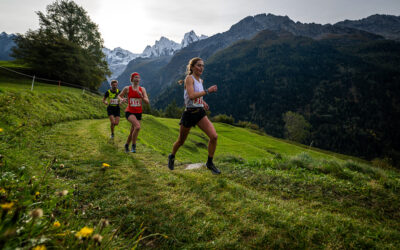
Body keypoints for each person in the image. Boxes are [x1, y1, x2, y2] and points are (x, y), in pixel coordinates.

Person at [168, 57, 220, 174]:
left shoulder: (200, 81)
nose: (201, 68)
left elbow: (197, 96)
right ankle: (171, 156)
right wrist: (208, 91)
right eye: (198, 65)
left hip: (200, 112)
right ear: (192, 67)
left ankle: (209, 163)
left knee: (214, 136)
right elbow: (191, 96)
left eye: (202, 66)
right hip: (189, 114)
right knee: (181, 141)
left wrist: (203, 102)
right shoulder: (189, 78)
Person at [118, 72, 149, 153]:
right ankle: (134, 146)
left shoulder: (142, 89)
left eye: (138, 77)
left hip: (138, 112)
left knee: (133, 131)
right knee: (138, 127)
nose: (137, 79)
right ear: (132, 79)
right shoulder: (127, 88)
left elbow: (147, 102)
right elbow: (119, 95)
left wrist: (141, 96)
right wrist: (121, 99)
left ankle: (126, 145)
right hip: (130, 111)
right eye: (135, 77)